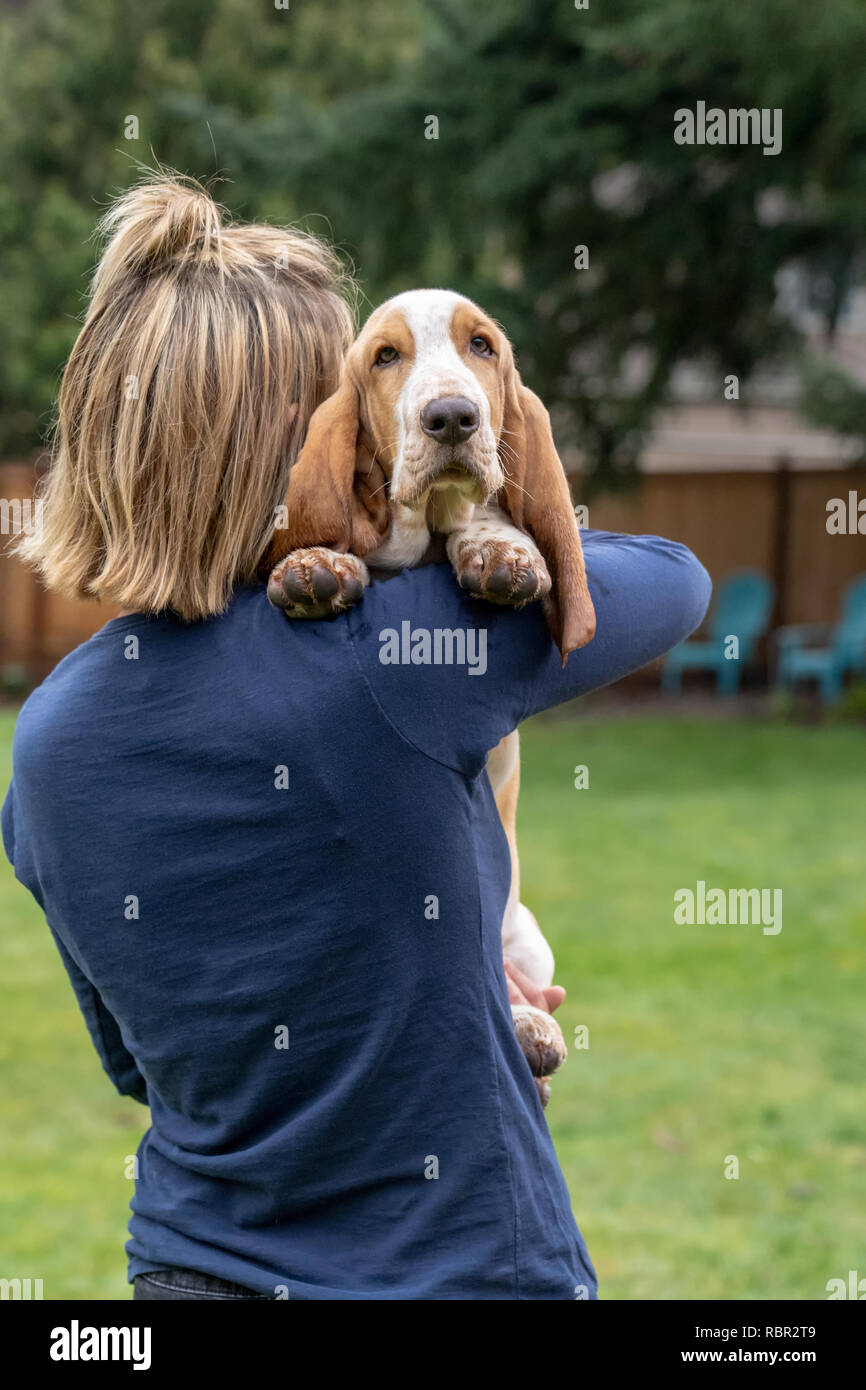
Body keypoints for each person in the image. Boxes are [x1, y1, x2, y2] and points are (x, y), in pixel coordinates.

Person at [2, 175, 711, 1300]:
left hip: (188, 1271)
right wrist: (482, 502)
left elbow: (139, 1064)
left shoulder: (41, 746)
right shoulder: (401, 657)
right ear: (313, 438)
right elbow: (672, 583)